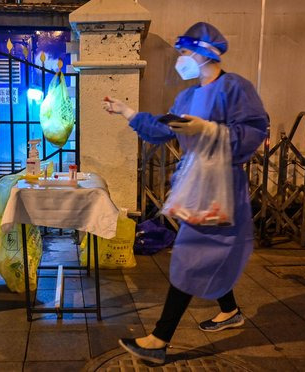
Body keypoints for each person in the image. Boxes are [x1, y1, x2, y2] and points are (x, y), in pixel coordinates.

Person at [102, 22, 268, 364]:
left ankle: (158, 340)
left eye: (185, 52)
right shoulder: (188, 96)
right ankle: (230, 309)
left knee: (191, 256)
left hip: (220, 189)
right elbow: (165, 129)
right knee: (208, 253)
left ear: (205, 52)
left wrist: (209, 130)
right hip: (196, 186)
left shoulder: (236, 88)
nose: (181, 59)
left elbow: (253, 130)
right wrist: (127, 112)